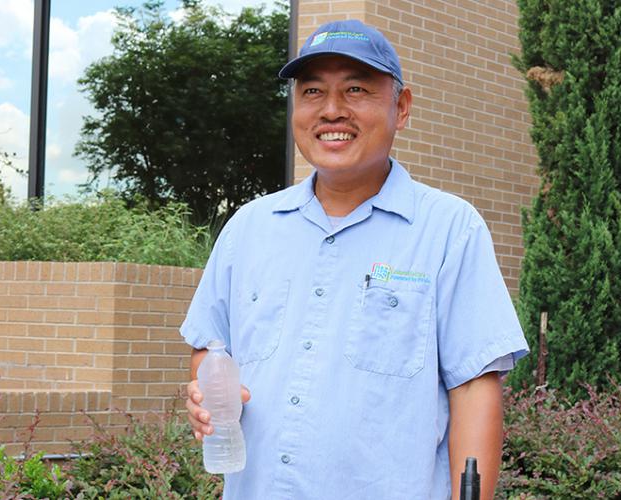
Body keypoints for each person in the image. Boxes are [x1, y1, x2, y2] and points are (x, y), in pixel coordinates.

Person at [181, 19, 528, 500]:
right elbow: (211, 349)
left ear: (400, 107)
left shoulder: (450, 229)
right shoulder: (249, 227)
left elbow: (473, 389)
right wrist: (207, 397)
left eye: (357, 89)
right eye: (312, 92)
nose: (332, 111)